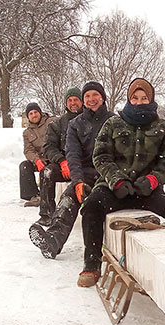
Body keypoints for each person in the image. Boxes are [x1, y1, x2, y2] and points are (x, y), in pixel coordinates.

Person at [77, 78, 165, 287]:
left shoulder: (164, 127)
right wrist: (115, 180)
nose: (139, 102)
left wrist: (153, 180)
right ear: (128, 99)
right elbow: (101, 157)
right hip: (114, 188)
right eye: (135, 98)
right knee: (91, 207)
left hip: (146, 190)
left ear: (151, 99)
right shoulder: (114, 123)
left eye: (144, 98)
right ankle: (92, 264)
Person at [29, 81, 114, 259]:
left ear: (103, 97)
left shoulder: (114, 121)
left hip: (110, 172)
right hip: (83, 171)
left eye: (95, 95)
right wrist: (77, 179)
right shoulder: (71, 124)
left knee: (93, 204)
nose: (91, 99)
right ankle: (52, 238)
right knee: (69, 196)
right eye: (87, 96)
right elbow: (72, 154)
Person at [36, 87, 83, 226]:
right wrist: (62, 162)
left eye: (76, 99)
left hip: (84, 164)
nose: (73, 103)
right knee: (47, 172)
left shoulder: (89, 120)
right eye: (70, 100)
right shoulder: (57, 124)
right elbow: (49, 147)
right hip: (64, 165)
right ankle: (47, 214)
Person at [19, 102, 53, 207]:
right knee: (24, 166)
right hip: (40, 159)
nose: (34, 115)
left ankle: (45, 195)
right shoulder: (27, 133)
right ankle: (33, 195)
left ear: (40, 112)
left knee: (47, 170)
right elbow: (28, 150)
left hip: (53, 157)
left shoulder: (51, 122)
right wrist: (36, 160)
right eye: (31, 113)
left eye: (35, 112)